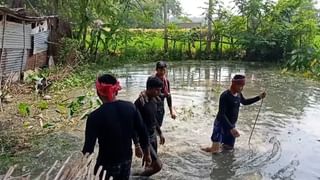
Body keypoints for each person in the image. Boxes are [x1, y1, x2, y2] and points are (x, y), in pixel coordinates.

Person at [82, 74, 151, 180]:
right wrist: (147, 154)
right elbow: (143, 132)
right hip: (127, 160)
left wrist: (85, 168)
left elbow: (88, 148)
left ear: (98, 93)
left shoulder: (94, 116)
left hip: (106, 164)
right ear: (117, 91)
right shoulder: (130, 107)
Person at [201, 74, 266, 153]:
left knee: (228, 149)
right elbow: (222, 114)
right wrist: (231, 128)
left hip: (231, 124)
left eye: (243, 85)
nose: (241, 88)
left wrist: (259, 97)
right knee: (215, 152)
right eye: (240, 85)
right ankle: (206, 150)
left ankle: (216, 151)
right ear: (233, 84)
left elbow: (245, 102)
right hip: (221, 124)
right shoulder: (225, 96)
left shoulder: (238, 94)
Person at [133, 76, 165, 177]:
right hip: (144, 138)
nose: (159, 92)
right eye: (157, 90)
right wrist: (137, 144)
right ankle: (137, 177)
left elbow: (153, 119)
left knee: (150, 162)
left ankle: (142, 175)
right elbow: (133, 125)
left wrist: (160, 133)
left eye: (160, 90)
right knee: (158, 166)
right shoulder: (140, 103)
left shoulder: (154, 100)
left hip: (152, 134)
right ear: (149, 88)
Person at [153, 61, 176, 127]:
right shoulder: (153, 80)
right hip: (153, 105)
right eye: (160, 70)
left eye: (164, 70)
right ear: (156, 70)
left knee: (158, 126)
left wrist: (171, 112)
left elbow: (168, 96)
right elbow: (149, 93)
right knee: (152, 125)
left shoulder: (166, 81)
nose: (162, 72)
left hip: (161, 106)